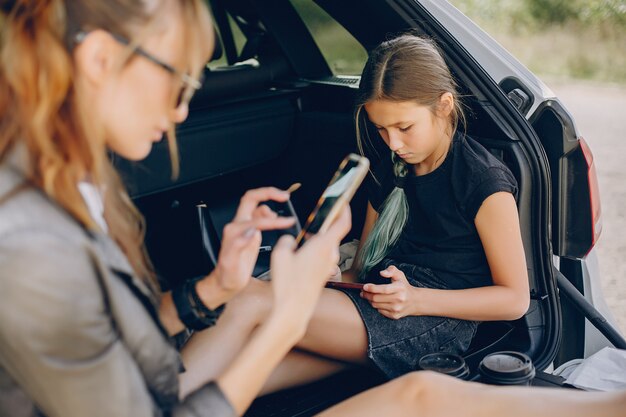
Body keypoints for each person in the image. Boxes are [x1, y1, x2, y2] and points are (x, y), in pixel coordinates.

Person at [0, 1, 350, 416]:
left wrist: (217, 285)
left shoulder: (72, 181)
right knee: (421, 396)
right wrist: (287, 320)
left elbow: (108, 338)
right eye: (179, 82)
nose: (182, 110)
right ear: (100, 59)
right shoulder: (30, 242)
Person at [179, 34, 531, 395]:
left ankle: (147, 399)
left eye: (404, 127)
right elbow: (363, 264)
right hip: (373, 300)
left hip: (434, 322)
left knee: (247, 298)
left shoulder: (481, 180)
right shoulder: (388, 169)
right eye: (381, 128)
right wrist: (329, 274)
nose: (393, 143)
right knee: (238, 375)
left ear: (444, 105)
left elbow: (514, 300)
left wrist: (416, 300)